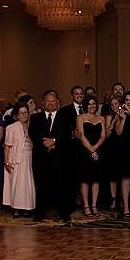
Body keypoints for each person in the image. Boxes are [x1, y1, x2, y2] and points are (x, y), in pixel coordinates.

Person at [29, 89, 75, 222]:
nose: (50, 103)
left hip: (59, 158)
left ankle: (64, 213)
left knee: (62, 187)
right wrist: (46, 143)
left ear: (58, 103)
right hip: (41, 157)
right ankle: (40, 214)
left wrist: (54, 141)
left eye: (53, 101)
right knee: (42, 187)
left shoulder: (65, 117)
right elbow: (33, 134)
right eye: (47, 101)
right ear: (43, 103)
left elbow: (67, 134)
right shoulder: (35, 118)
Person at [3, 102, 36, 218]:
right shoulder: (11, 128)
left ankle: (27, 208)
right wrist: (6, 161)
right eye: (21, 113)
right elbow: (7, 145)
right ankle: (16, 208)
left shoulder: (33, 125)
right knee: (17, 184)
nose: (24, 115)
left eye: (25, 112)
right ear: (16, 115)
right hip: (16, 158)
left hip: (30, 156)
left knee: (28, 184)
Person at [77, 95, 106, 217]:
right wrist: (91, 149)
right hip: (85, 150)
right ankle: (86, 205)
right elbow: (81, 135)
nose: (92, 106)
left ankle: (94, 205)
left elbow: (103, 135)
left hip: (98, 150)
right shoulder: (80, 117)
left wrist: (96, 148)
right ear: (85, 106)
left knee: (96, 179)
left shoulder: (101, 118)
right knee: (85, 179)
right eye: (89, 104)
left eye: (94, 104)